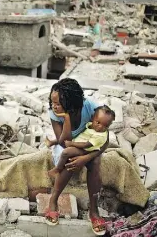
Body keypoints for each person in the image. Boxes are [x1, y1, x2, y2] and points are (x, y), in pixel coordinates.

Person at [44, 78, 108, 236]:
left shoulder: (92, 109)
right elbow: (63, 142)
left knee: (96, 161)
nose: (54, 106)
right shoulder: (55, 113)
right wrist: (65, 118)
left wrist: (85, 159)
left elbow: (105, 141)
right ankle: (53, 200)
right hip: (69, 146)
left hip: (88, 146)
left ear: (72, 102)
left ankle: (93, 209)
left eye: (58, 102)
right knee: (69, 160)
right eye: (52, 102)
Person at [47, 105, 115, 178]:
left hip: (85, 150)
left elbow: (86, 145)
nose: (100, 127)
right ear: (92, 118)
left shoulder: (100, 136)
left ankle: (57, 170)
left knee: (65, 152)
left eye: (105, 126)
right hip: (79, 141)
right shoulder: (90, 125)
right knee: (65, 137)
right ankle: (52, 142)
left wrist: (72, 143)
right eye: (98, 122)